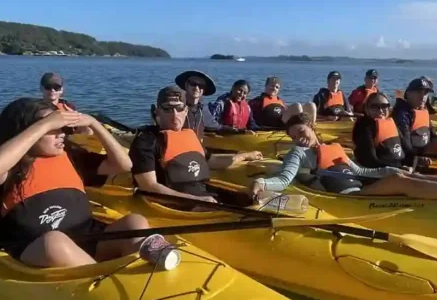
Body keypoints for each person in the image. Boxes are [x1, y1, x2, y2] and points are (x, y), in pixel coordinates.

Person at [0, 98, 146, 268]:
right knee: (54, 243)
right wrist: (45, 124)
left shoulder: (71, 157)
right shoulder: (10, 167)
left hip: (86, 236)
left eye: (61, 128)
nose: (61, 133)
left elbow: (124, 165)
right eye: (53, 129)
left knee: (135, 222)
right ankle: (102, 280)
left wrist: (94, 124)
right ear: (26, 131)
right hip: (35, 247)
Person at [250, 114, 437, 204]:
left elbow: (360, 170)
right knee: (400, 181)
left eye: (303, 132)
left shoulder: (335, 148)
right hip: (347, 198)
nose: (300, 138)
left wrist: (392, 168)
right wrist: (262, 182)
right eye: (295, 136)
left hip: (361, 186)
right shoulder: (298, 153)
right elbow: (284, 179)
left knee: (406, 175)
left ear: (312, 129)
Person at [130, 86, 263, 203]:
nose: (175, 114)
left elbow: (211, 161)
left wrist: (244, 155)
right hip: (177, 203)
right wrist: (197, 201)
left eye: (179, 108)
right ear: (157, 111)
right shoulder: (146, 141)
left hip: (203, 192)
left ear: (186, 110)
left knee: (256, 198)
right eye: (167, 109)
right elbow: (148, 186)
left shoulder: (189, 136)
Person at [393, 77, 437, 159]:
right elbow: (405, 144)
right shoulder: (402, 114)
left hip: (423, 150)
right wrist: (417, 159)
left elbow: (431, 134)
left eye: (425, 93)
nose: (423, 97)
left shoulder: (423, 110)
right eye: (419, 92)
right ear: (408, 94)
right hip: (409, 155)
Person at [248, 76, 315, 129]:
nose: (274, 88)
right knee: (296, 105)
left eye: (277, 87)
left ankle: (310, 128)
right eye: (272, 85)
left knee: (310, 105)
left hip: (284, 121)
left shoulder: (280, 100)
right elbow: (249, 113)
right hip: (273, 124)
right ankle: (300, 131)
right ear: (266, 86)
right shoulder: (258, 100)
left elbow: (286, 111)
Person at [175, 70, 221, 141]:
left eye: (201, 85)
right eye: (193, 83)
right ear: (186, 85)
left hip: (197, 149)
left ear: (204, 90)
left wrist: (234, 130)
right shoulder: (176, 107)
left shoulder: (203, 109)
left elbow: (217, 127)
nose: (197, 88)